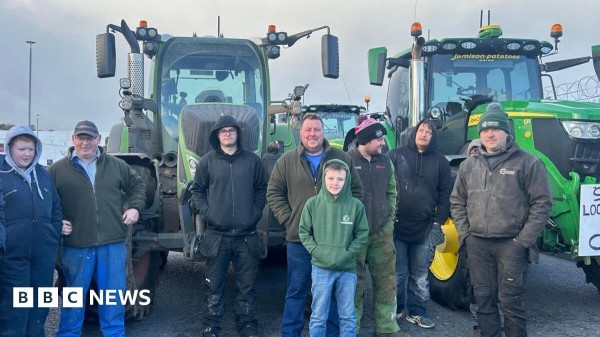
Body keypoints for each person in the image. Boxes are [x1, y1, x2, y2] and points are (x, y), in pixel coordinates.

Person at [450, 102, 552, 337]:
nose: (490, 134)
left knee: (511, 301)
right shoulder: (468, 165)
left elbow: (542, 203)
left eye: (496, 129)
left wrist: (522, 241)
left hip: (511, 244)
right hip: (477, 243)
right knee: (483, 298)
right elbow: (457, 201)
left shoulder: (528, 163)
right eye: (485, 130)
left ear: (506, 132)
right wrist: (466, 234)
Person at [267, 113, 364, 337]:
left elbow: (356, 192)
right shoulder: (287, 161)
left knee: (330, 293)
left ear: (323, 132)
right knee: (296, 290)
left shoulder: (341, 158)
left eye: (317, 130)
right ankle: (290, 333)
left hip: (334, 241)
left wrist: (346, 224)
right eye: (308, 130)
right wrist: (289, 219)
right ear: (300, 132)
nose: (312, 134)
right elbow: (274, 192)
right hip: (299, 240)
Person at [49, 120, 146, 337]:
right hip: (76, 245)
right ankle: (68, 334)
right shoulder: (56, 170)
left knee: (112, 296)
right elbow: (45, 201)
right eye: (81, 138)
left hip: (112, 243)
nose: (85, 143)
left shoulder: (116, 165)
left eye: (90, 138)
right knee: (74, 297)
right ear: (73, 139)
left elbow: (137, 185)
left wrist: (136, 208)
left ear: (99, 140)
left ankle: (114, 333)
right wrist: (55, 221)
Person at [190, 115, 267, 337]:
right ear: (217, 135)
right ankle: (212, 326)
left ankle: (247, 326)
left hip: (246, 236)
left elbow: (261, 188)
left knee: (247, 286)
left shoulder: (252, 161)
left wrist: (255, 212)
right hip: (217, 236)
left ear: (238, 134)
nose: (227, 133)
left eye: (231, 130)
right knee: (214, 285)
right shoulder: (207, 162)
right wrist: (208, 213)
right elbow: (197, 190)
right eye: (223, 131)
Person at [0, 125, 69, 336]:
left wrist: (53, 231)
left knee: (39, 304)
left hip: (43, 254)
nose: (27, 154)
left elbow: (55, 208)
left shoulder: (43, 174)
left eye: (30, 149)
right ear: (9, 148)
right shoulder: (2, 174)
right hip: (12, 255)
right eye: (22, 149)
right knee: (15, 307)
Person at [388, 120, 452, 329]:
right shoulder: (395, 156)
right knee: (397, 273)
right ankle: (396, 309)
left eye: (429, 132)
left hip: (424, 228)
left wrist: (437, 223)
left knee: (420, 274)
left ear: (433, 137)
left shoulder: (441, 161)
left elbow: (445, 195)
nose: (424, 134)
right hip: (397, 227)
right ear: (414, 133)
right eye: (421, 130)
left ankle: (417, 312)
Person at [346, 118, 408, 337]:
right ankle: (350, 330)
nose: (382, 143)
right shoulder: (347, 161)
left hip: (382, 233)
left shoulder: (385, 162)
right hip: (354, 234)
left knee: (386, 280)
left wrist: (389, 222)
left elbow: (393, 193)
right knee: (354, 283)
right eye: (379, 139)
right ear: (364, 140)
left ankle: (387, 328)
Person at [299, 159, 369, 337]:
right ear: (324, 178)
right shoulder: (312, 204)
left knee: (347, 316)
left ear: (346, 181)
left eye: (340, 179)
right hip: (321, 268)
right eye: (331, 178)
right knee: (318, 316)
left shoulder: (355, 206)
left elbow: (362, 234)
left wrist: (348, 253)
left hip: (347, 270)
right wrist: (317, 252)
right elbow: (304, 232)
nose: (335, 183)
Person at [466, 138, 505, 337]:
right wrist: (465, 234)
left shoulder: (499, 177)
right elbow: (456, 203)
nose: (475, 154)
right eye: (472, 151)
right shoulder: (464, 175)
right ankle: (479, 325)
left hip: (500, 240)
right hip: (474, 240)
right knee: (477, 288)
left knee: (501, 287)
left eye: (478, 151)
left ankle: (501, 325)